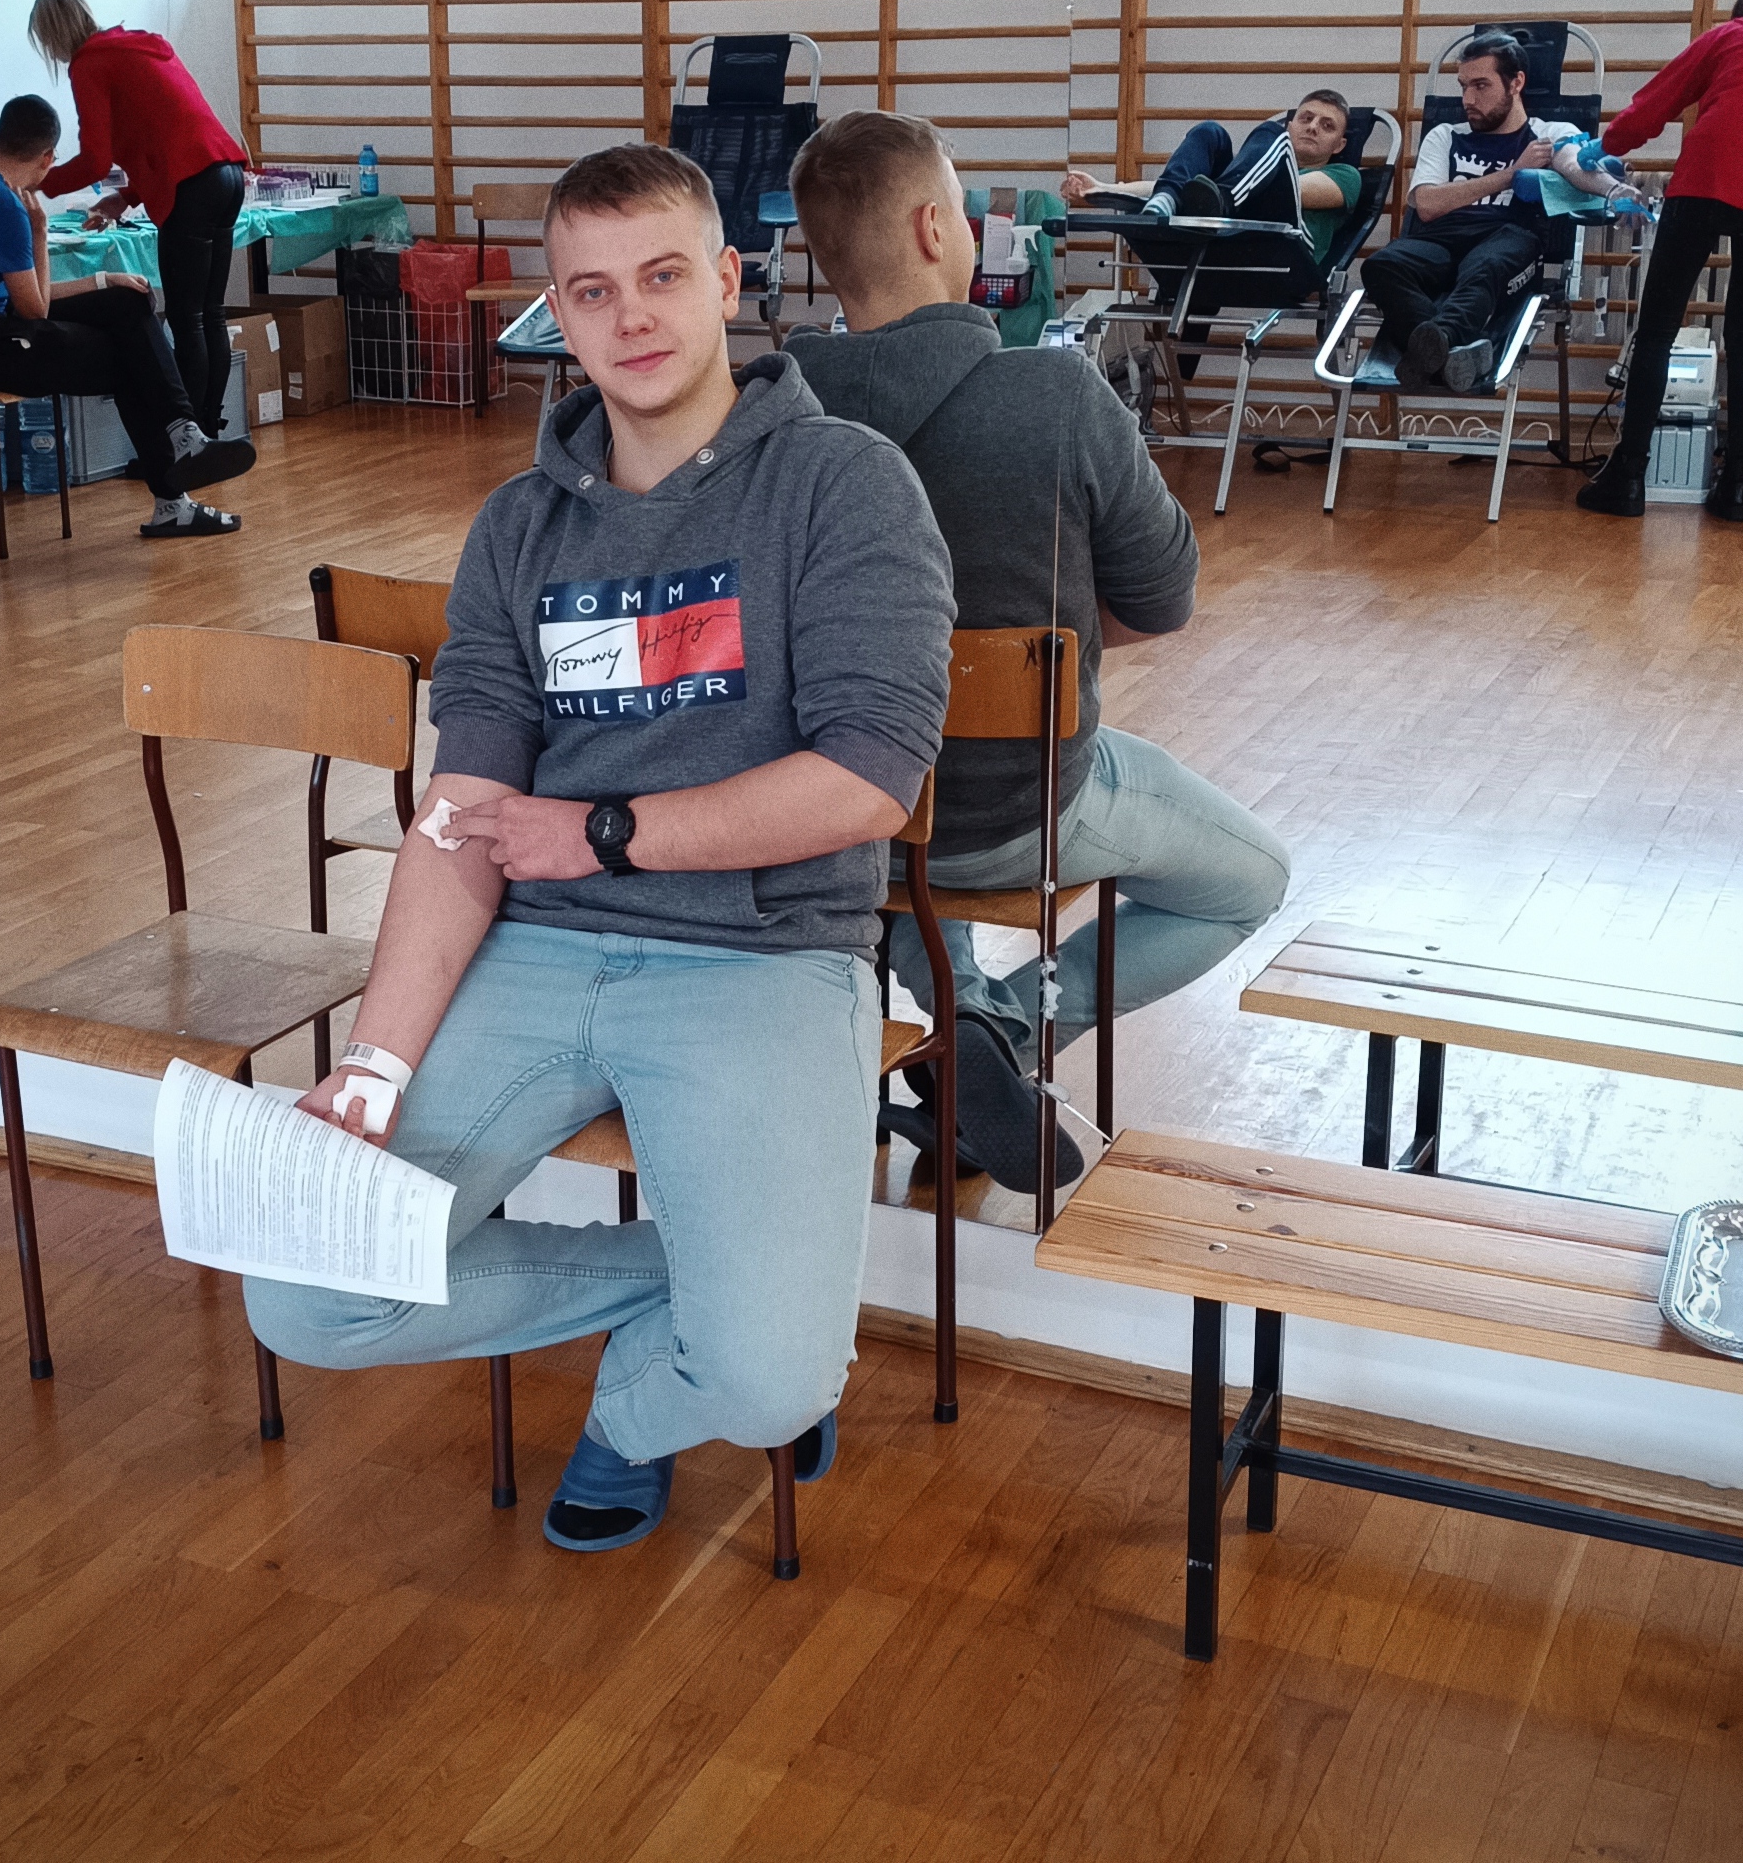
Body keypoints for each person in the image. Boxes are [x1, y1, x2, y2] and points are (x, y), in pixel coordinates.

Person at [244, 143, 955, 1558]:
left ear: (727, 283)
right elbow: (462, 808)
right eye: (590, 291)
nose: (631, 317)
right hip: (539, 948)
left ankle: (640, 1406)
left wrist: (602, 832)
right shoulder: (519, 527)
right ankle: (693, 1294)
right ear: (554, 315)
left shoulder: (844, 483)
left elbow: (869, 779)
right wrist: (371, 1067)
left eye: (662, 276)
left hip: (762, 958)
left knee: (766, 1385)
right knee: (309, 1290)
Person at [787, 110, 1292, 1194]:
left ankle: (950, 1016)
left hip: (825, 816)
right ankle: (997, 1033)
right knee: (1250, 882)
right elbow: (1160, 605)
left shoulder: (768, 414)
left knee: (905, 826)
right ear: (934, 228)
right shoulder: (1054, 392)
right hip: (1021, 812)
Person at [0, 95, 253, 535]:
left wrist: (104, 280)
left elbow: (29, 301)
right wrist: (40, 231)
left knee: (126, 302)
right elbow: (35, 309)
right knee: (131, 358)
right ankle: (174, 491)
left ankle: (185, 434)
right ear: (48, 158)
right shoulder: (1, 203)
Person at [1579, 0, 1743, 523]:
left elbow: (1658, 101)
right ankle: (1736, 486)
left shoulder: (1730, 36)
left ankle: (1627, 478)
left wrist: (1606, 145)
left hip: (1706, 181)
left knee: (1657, 329)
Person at [29, 0, 250, 440]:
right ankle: (208, 429)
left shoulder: (89, 64)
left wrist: (35, 181)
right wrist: (127, 196)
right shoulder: (143, 44)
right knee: (211, 313)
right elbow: (172, 128)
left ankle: (189, 442)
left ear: (52, 36)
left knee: (186, 319)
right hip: (226, 174)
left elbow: (95, 161)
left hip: (192, 186)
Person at [1362, 32, 1614, 395]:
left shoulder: (1549, 134)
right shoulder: (1445, 135)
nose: (1468, 99)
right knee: (1381, 265)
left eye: (1481, 85)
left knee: (1485, 266)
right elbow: (1428, 205)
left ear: (1516, 83)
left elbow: (1578, 168)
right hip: (1441, 242)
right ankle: (1453, 352)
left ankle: (1440, 343)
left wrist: (1617, 189)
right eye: (1463, 86)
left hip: (1507, 241)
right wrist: (1513, 173)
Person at [1066, 89, 1363, 267]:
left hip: (1286, 252)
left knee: (1268, 134)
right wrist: (1103, 188)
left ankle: (1221, 204)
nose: (1313, 127)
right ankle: (1167, 200)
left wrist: (1221, 193)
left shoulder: (1346, 176)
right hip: (1226, 237)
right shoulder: (1244, 178)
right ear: (1292, 124)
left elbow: (1288, 191)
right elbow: (1189, 187)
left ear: (1339, 145)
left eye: (1327, 125)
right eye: (1306, 118)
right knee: (1210, 133)